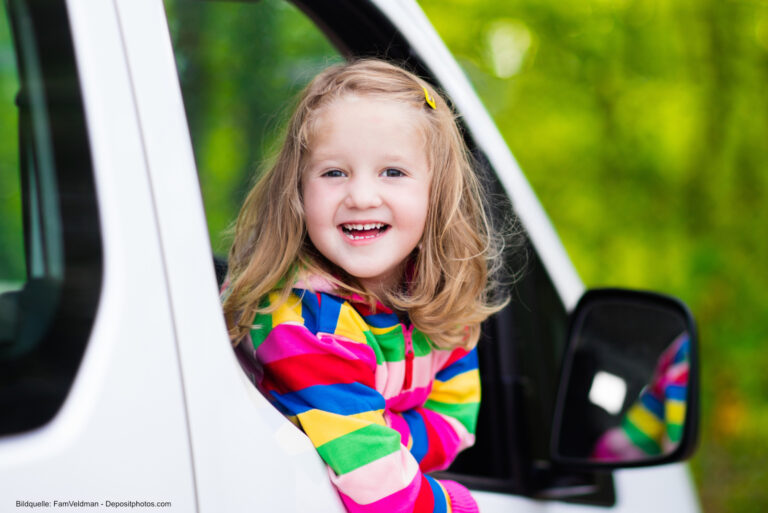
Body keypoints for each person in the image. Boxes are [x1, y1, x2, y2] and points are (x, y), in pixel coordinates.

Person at [222, 59, 508, 513]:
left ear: (437, 192)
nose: (360, 196)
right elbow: (382, 492)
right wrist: (456, 504)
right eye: (334, 173)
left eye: (392, 172)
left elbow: (456, 422)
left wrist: (384, 431)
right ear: (298, 190)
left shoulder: (439, 306)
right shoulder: (301, 321)